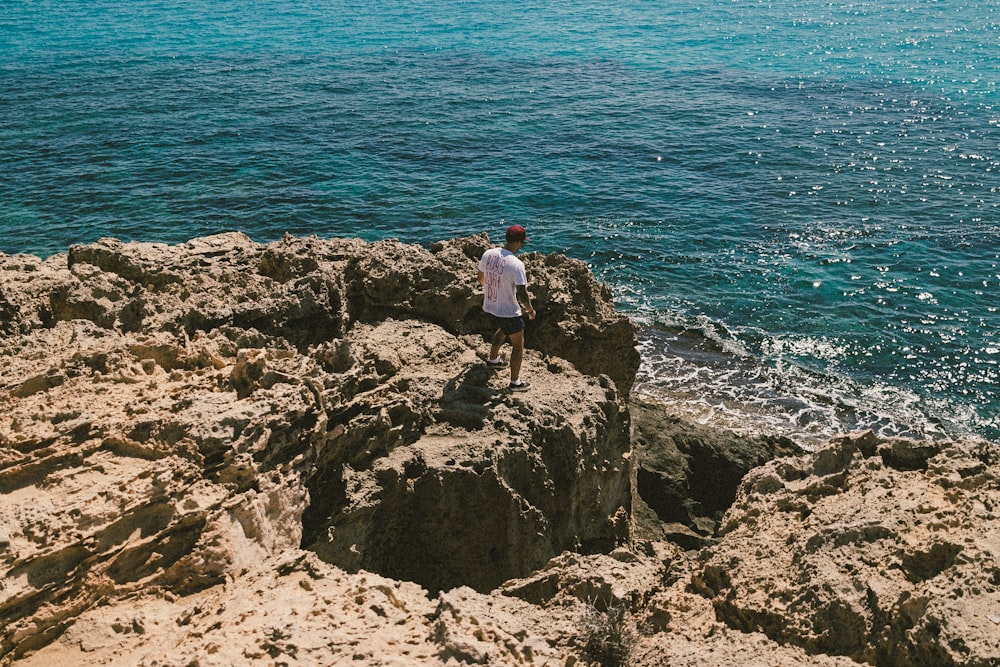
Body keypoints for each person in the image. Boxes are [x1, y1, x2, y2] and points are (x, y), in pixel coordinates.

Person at [477, 224, 536, 391]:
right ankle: (515, 383)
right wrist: (530, 310)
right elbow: (522, 293)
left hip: (489, 306)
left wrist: (491, 290)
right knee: (518, 344)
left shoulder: (489, 254)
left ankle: (493, 360)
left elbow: (480, 278)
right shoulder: (516, 264)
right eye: (523, 243)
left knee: (503, 329)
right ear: (518, 242)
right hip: (508, 311)